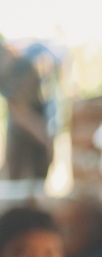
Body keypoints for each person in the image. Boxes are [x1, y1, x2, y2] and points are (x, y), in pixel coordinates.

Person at [0, 38, 53, 182]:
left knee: (34, 184)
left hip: (36, 131)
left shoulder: (24, 66)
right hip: (22, 135)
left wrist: (44, 138)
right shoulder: (5, 75)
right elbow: (18, 112)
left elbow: (22, 112)